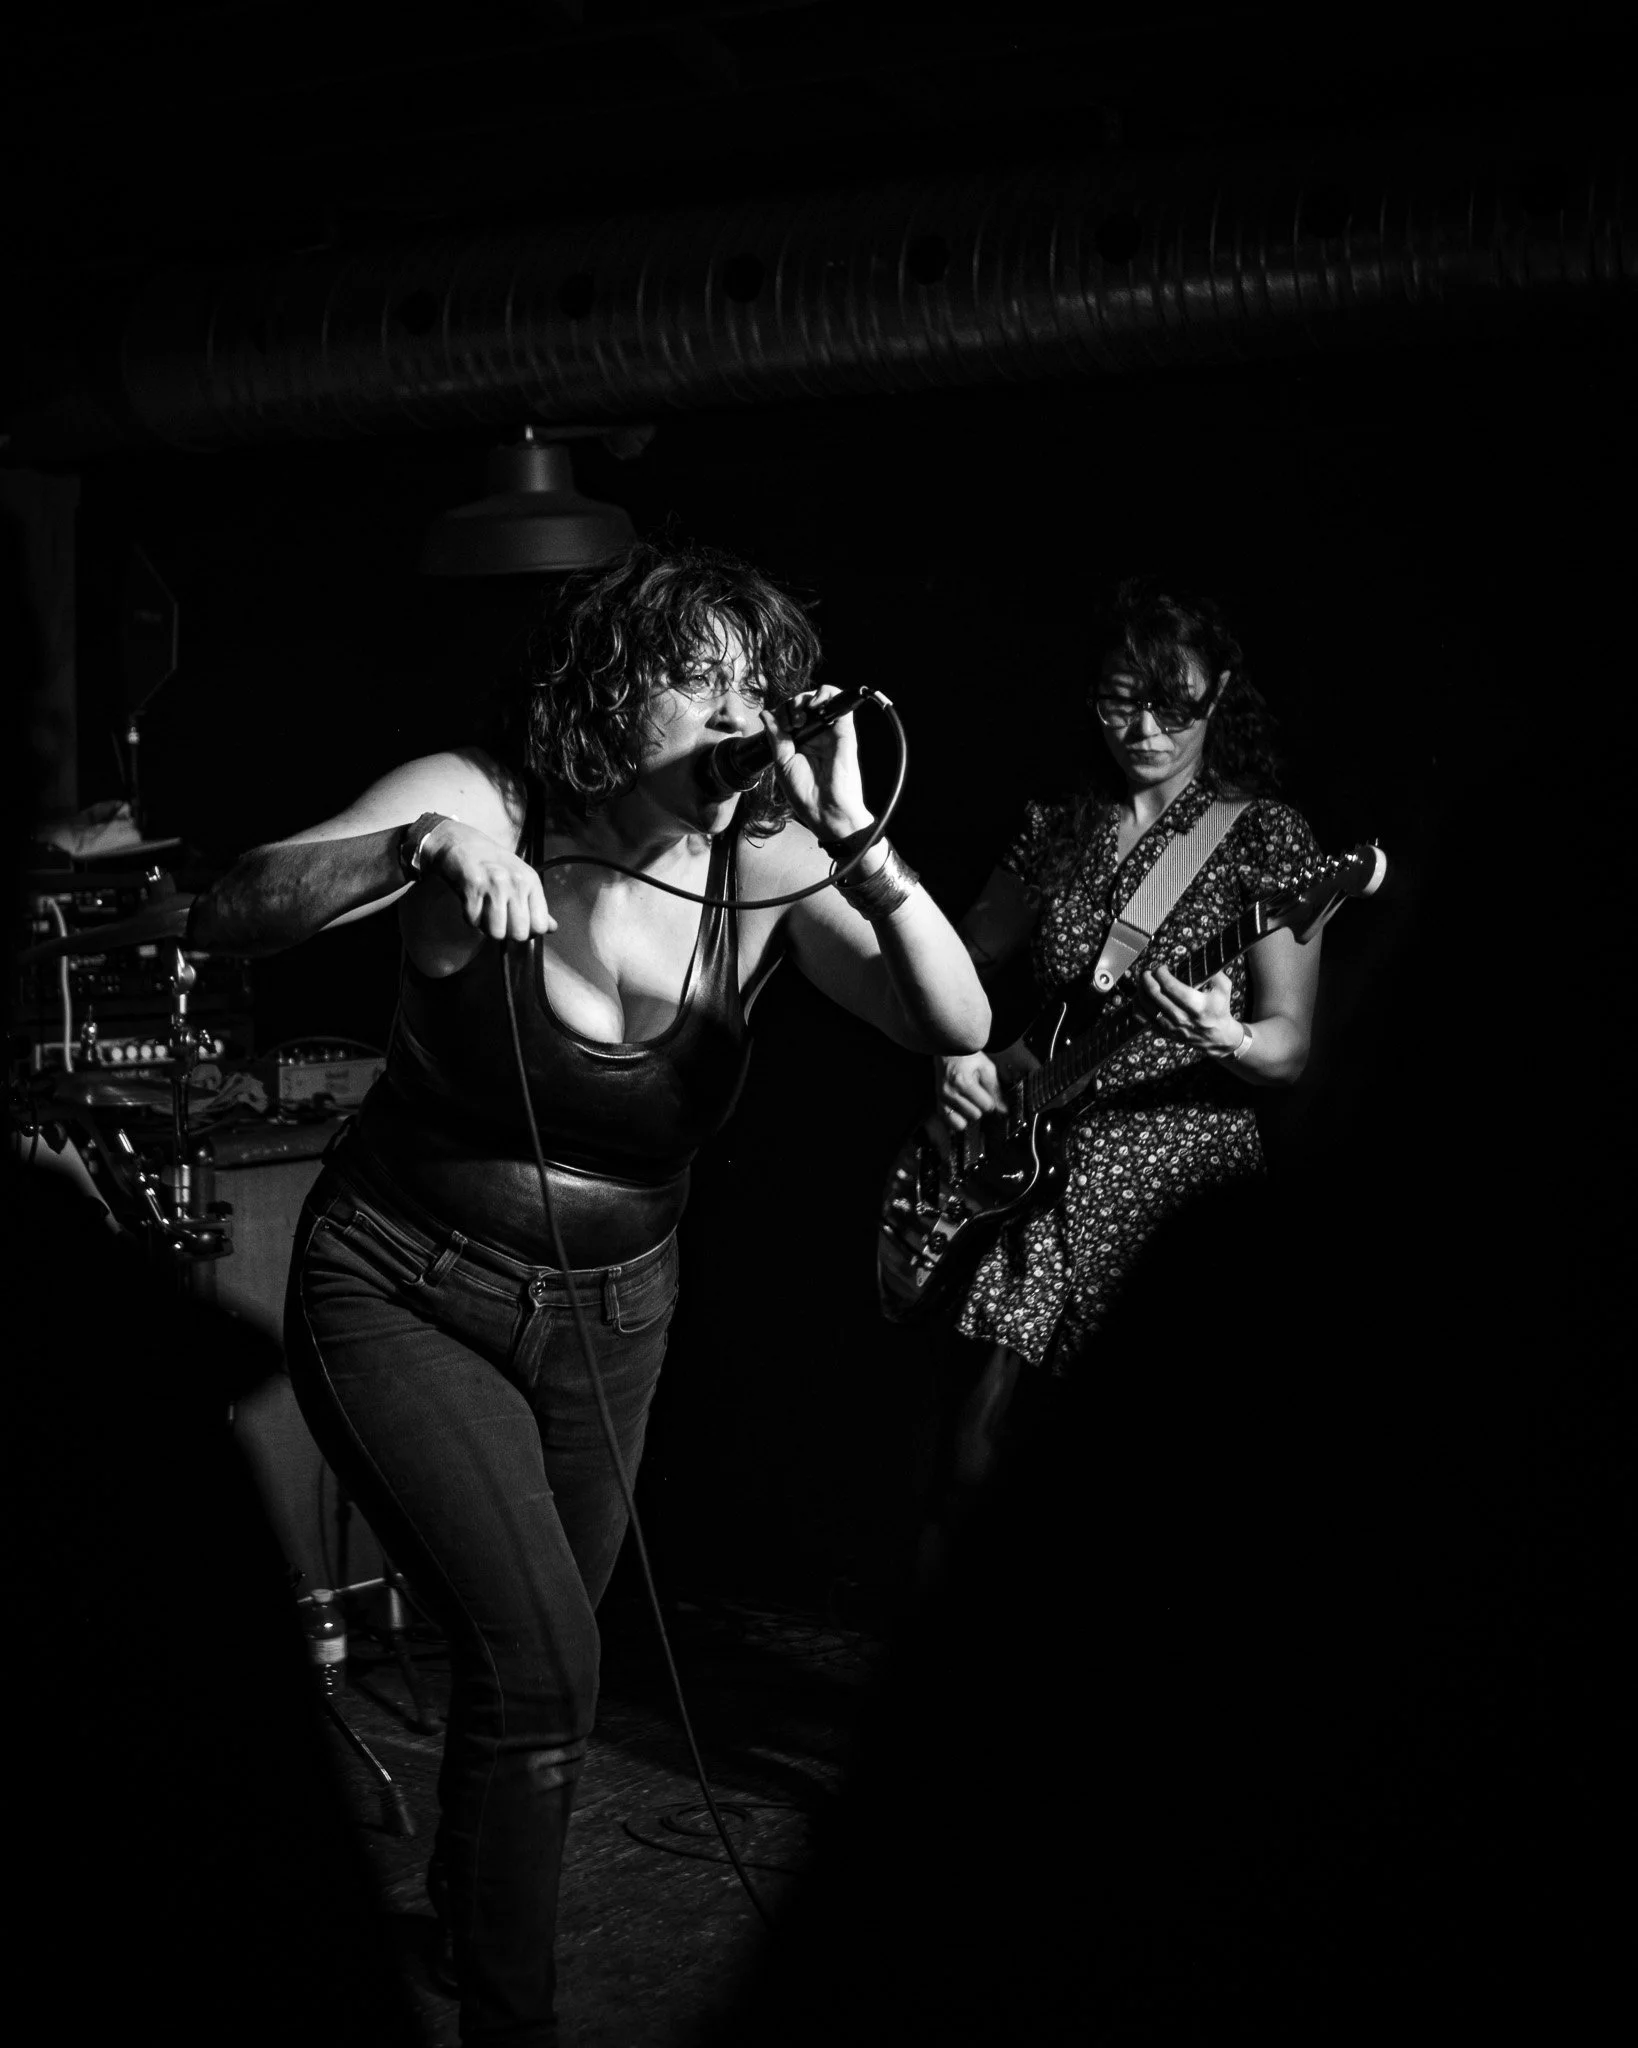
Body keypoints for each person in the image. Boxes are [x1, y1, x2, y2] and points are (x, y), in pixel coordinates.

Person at [182, 538, 988, 2048]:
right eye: (704, 679)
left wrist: (859, 847)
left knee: (531, 1672)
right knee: (549, 1666)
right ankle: (509, 2018)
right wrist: (413, 850)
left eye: (759, 681)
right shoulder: (483, 799)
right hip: (401, 1286)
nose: (743, 711)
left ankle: (464, 1929)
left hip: (617, 1313)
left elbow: (954, 1011)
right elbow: (234, 903)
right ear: (617, 693)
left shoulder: (763, 865)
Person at [930, 576, 1322, 1520]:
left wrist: (1227, 1036)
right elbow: (954, 961)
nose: (1144, 727)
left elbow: (1290, 1048)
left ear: (1220, 693)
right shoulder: (1060, 825)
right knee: (976, 1451)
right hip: (1044, 1161)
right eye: (1120, 699)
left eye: (1174, 704)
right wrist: (951, 1055)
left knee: (1156, 1464)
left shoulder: (1263, 837)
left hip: (1178, 1180)